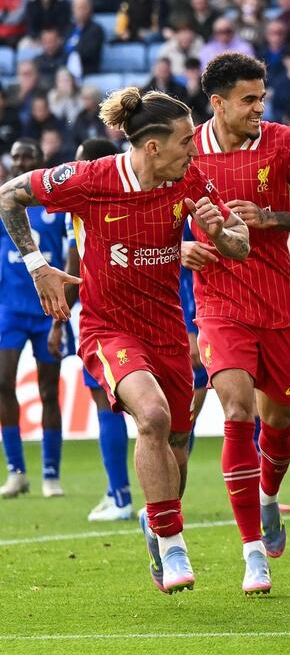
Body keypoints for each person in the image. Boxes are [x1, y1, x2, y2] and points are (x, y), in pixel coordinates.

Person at [0, 89, 248, 592]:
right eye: (186, 141)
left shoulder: (190, 179)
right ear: (153, 147)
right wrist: (38, 266)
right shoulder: (91, 178)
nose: (195, 149)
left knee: (177, 445)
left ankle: (155, 522)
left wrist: (220, 234)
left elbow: (240, 244)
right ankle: (173, 543)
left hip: (167, 330)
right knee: (152, 417)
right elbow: (9, 195)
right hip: (107, 328)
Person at [187, 53, 290, 592]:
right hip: (219, 302)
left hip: (278, 304)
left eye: (261, 98)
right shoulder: (187, 151)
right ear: (218, 103)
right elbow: (157, 215)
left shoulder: (283, 143)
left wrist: (271, 218)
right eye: (248, 99)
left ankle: (268, 496)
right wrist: (180, 249)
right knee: (237, 411)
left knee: (279, 422)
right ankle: (253, 553)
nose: (259, 108)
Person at [55, 137, 135, 522]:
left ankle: (120, 496)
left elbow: (74, 271)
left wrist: (57, 321)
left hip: (100, 315)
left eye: (79, 163)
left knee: (107, 403)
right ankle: (126, 492)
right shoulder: (134, 195)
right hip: (143, 309)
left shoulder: (81, 203)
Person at [0, 140, 74, 500]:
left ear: (39, 160)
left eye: (26, 156)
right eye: (15, 157)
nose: (19, 162)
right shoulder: (4, 203)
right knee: (2, 383)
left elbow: (72, 255)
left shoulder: (56, 207)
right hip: (9, 310)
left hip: (48, 309)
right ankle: (16, 472)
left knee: (48, 391)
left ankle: (51, 474)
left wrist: (63, 313)